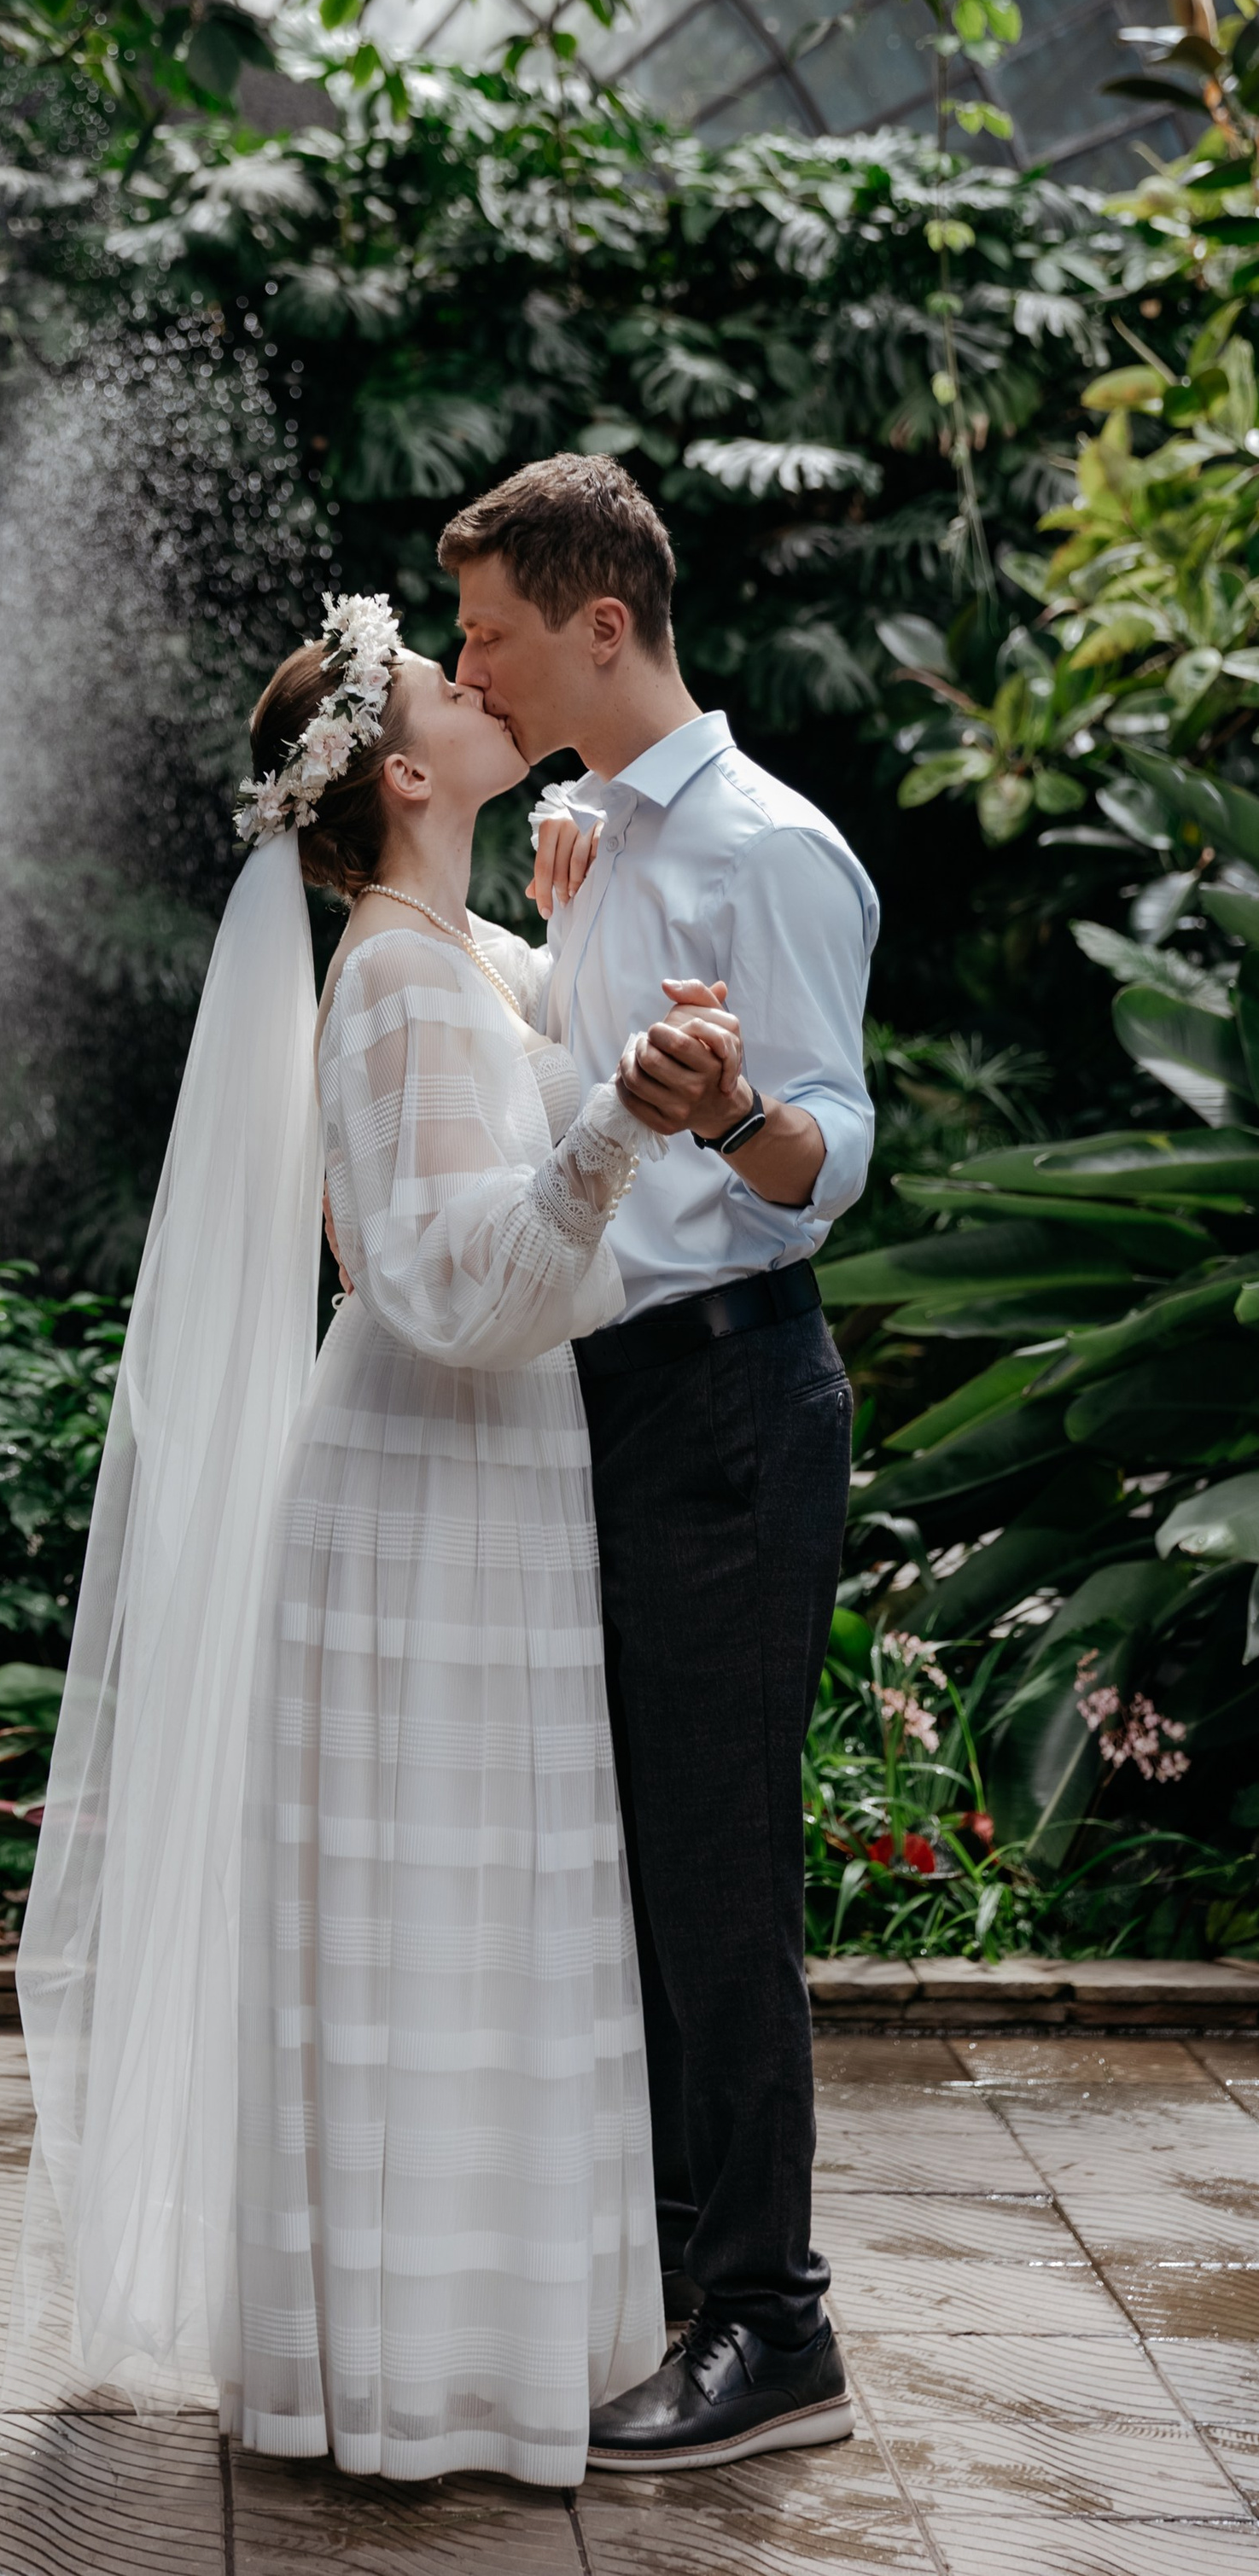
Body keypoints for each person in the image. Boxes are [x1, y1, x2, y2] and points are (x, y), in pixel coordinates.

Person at [17, 592, 749, 2487]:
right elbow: (444, 1285)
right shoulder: (400, 973)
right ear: (408, 770)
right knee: (448, 1920)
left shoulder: (442, 947)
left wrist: (580, 935)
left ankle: (439, 2348)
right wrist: (601, 1132)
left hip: (468, 1487)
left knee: (478, 1914)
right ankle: (426, 2375)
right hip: (430, 1486)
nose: (480, 673)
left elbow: (534, 1044)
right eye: (447, 674)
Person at [446, 452, 879, 2473]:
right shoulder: (587, 838)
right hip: (604, 1406)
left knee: (714, 1874)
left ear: (597, 625)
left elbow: (822, 1163)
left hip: (724, 1401)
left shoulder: (771, 848)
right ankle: (675, 2279)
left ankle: (770, 2330)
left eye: (491, 635)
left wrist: (726, 1121)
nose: (471, 666)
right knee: (630, 1869)